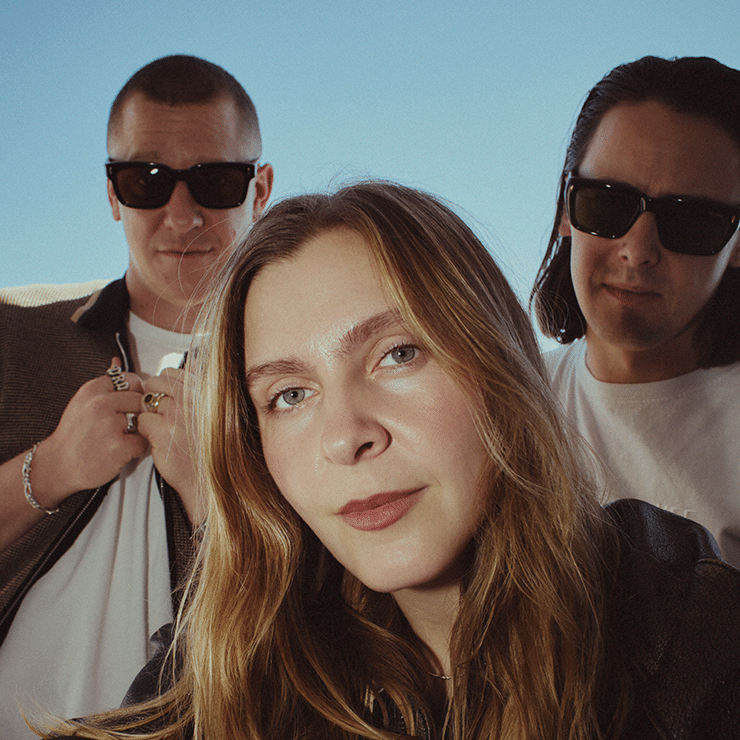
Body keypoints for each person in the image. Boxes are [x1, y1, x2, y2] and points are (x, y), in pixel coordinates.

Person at [44, 182, 740, 740]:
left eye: (398, 355)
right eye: (289, 395)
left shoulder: (689, 627)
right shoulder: (228, 662)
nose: (345, 437)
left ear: (498, 365)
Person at [0, 54, 273, 736]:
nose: (181, 217)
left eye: (214, 180)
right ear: (112, 193)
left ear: (260, 190)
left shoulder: (298, 374)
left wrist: (214, 495)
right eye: (145, 181)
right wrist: (50, 468)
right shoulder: (13, 332)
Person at [530, 56, 740, 567]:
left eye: (690, 219)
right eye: (607, 203)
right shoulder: (504, 405)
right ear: (564, 209)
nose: (637, 251)